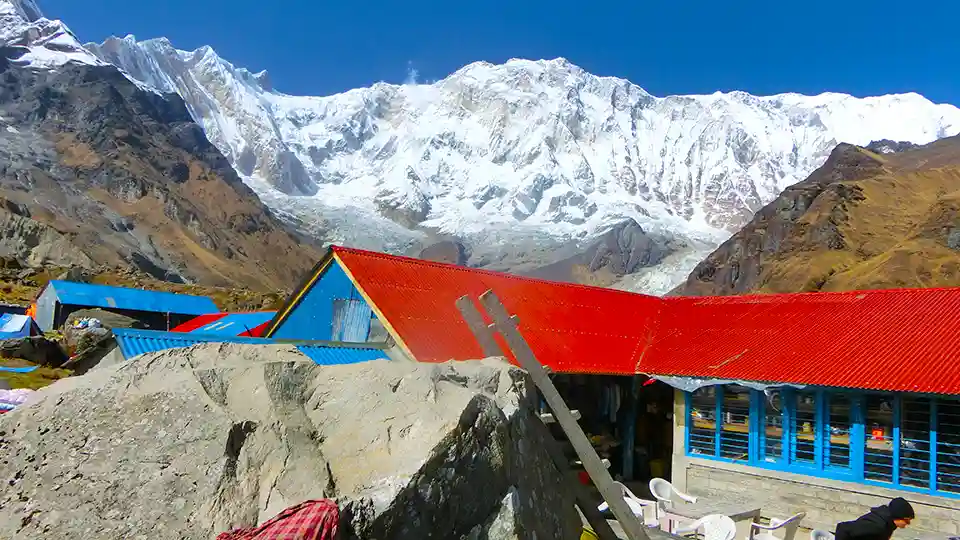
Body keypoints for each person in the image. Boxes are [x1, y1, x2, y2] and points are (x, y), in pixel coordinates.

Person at [835, 497, 914, 540]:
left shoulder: (890, 524)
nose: (908, 523)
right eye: (906, 520)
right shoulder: (876, 525)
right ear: (897, 517)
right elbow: (842, 528)